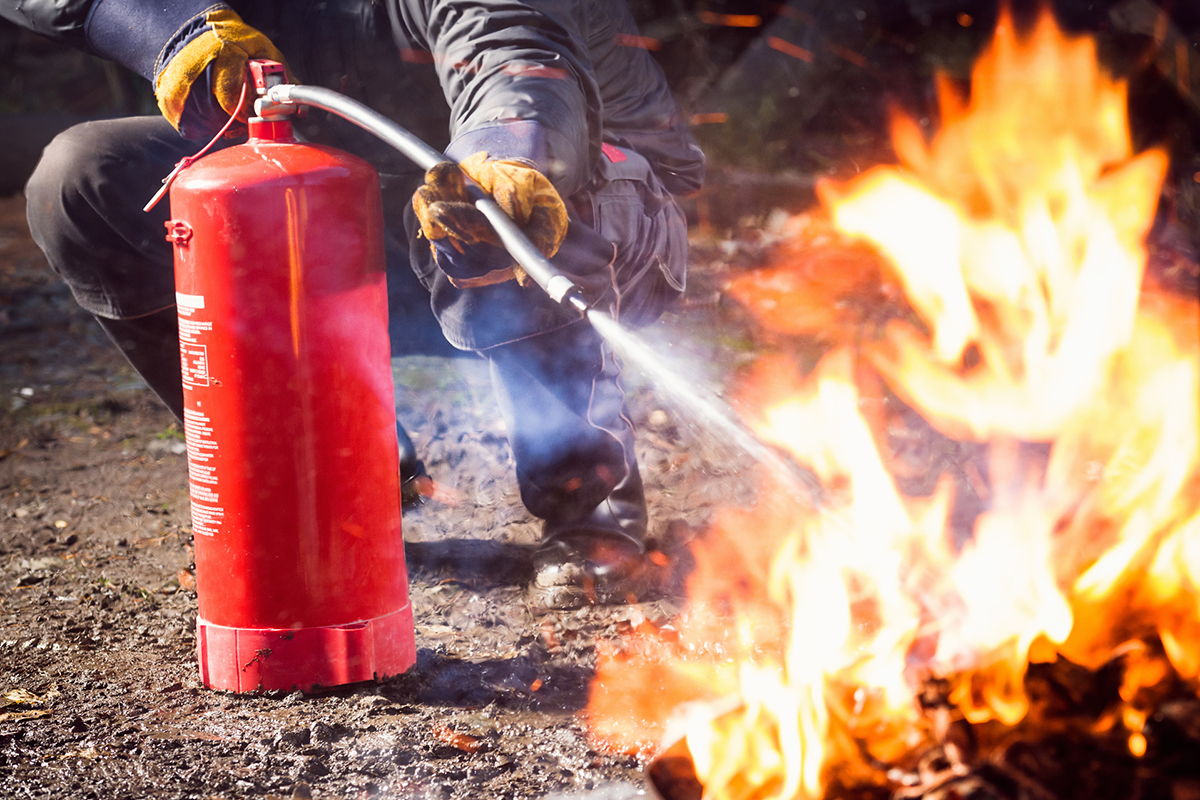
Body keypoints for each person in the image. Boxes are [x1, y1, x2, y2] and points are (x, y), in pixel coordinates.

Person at [2, 0, 705, 609]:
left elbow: (513, 51)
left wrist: (504, 148)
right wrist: (167, 28)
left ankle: (587, 510)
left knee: (495, 193)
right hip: (356, 202)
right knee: (83, 177)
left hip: (595, 200)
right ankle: (338, 480)